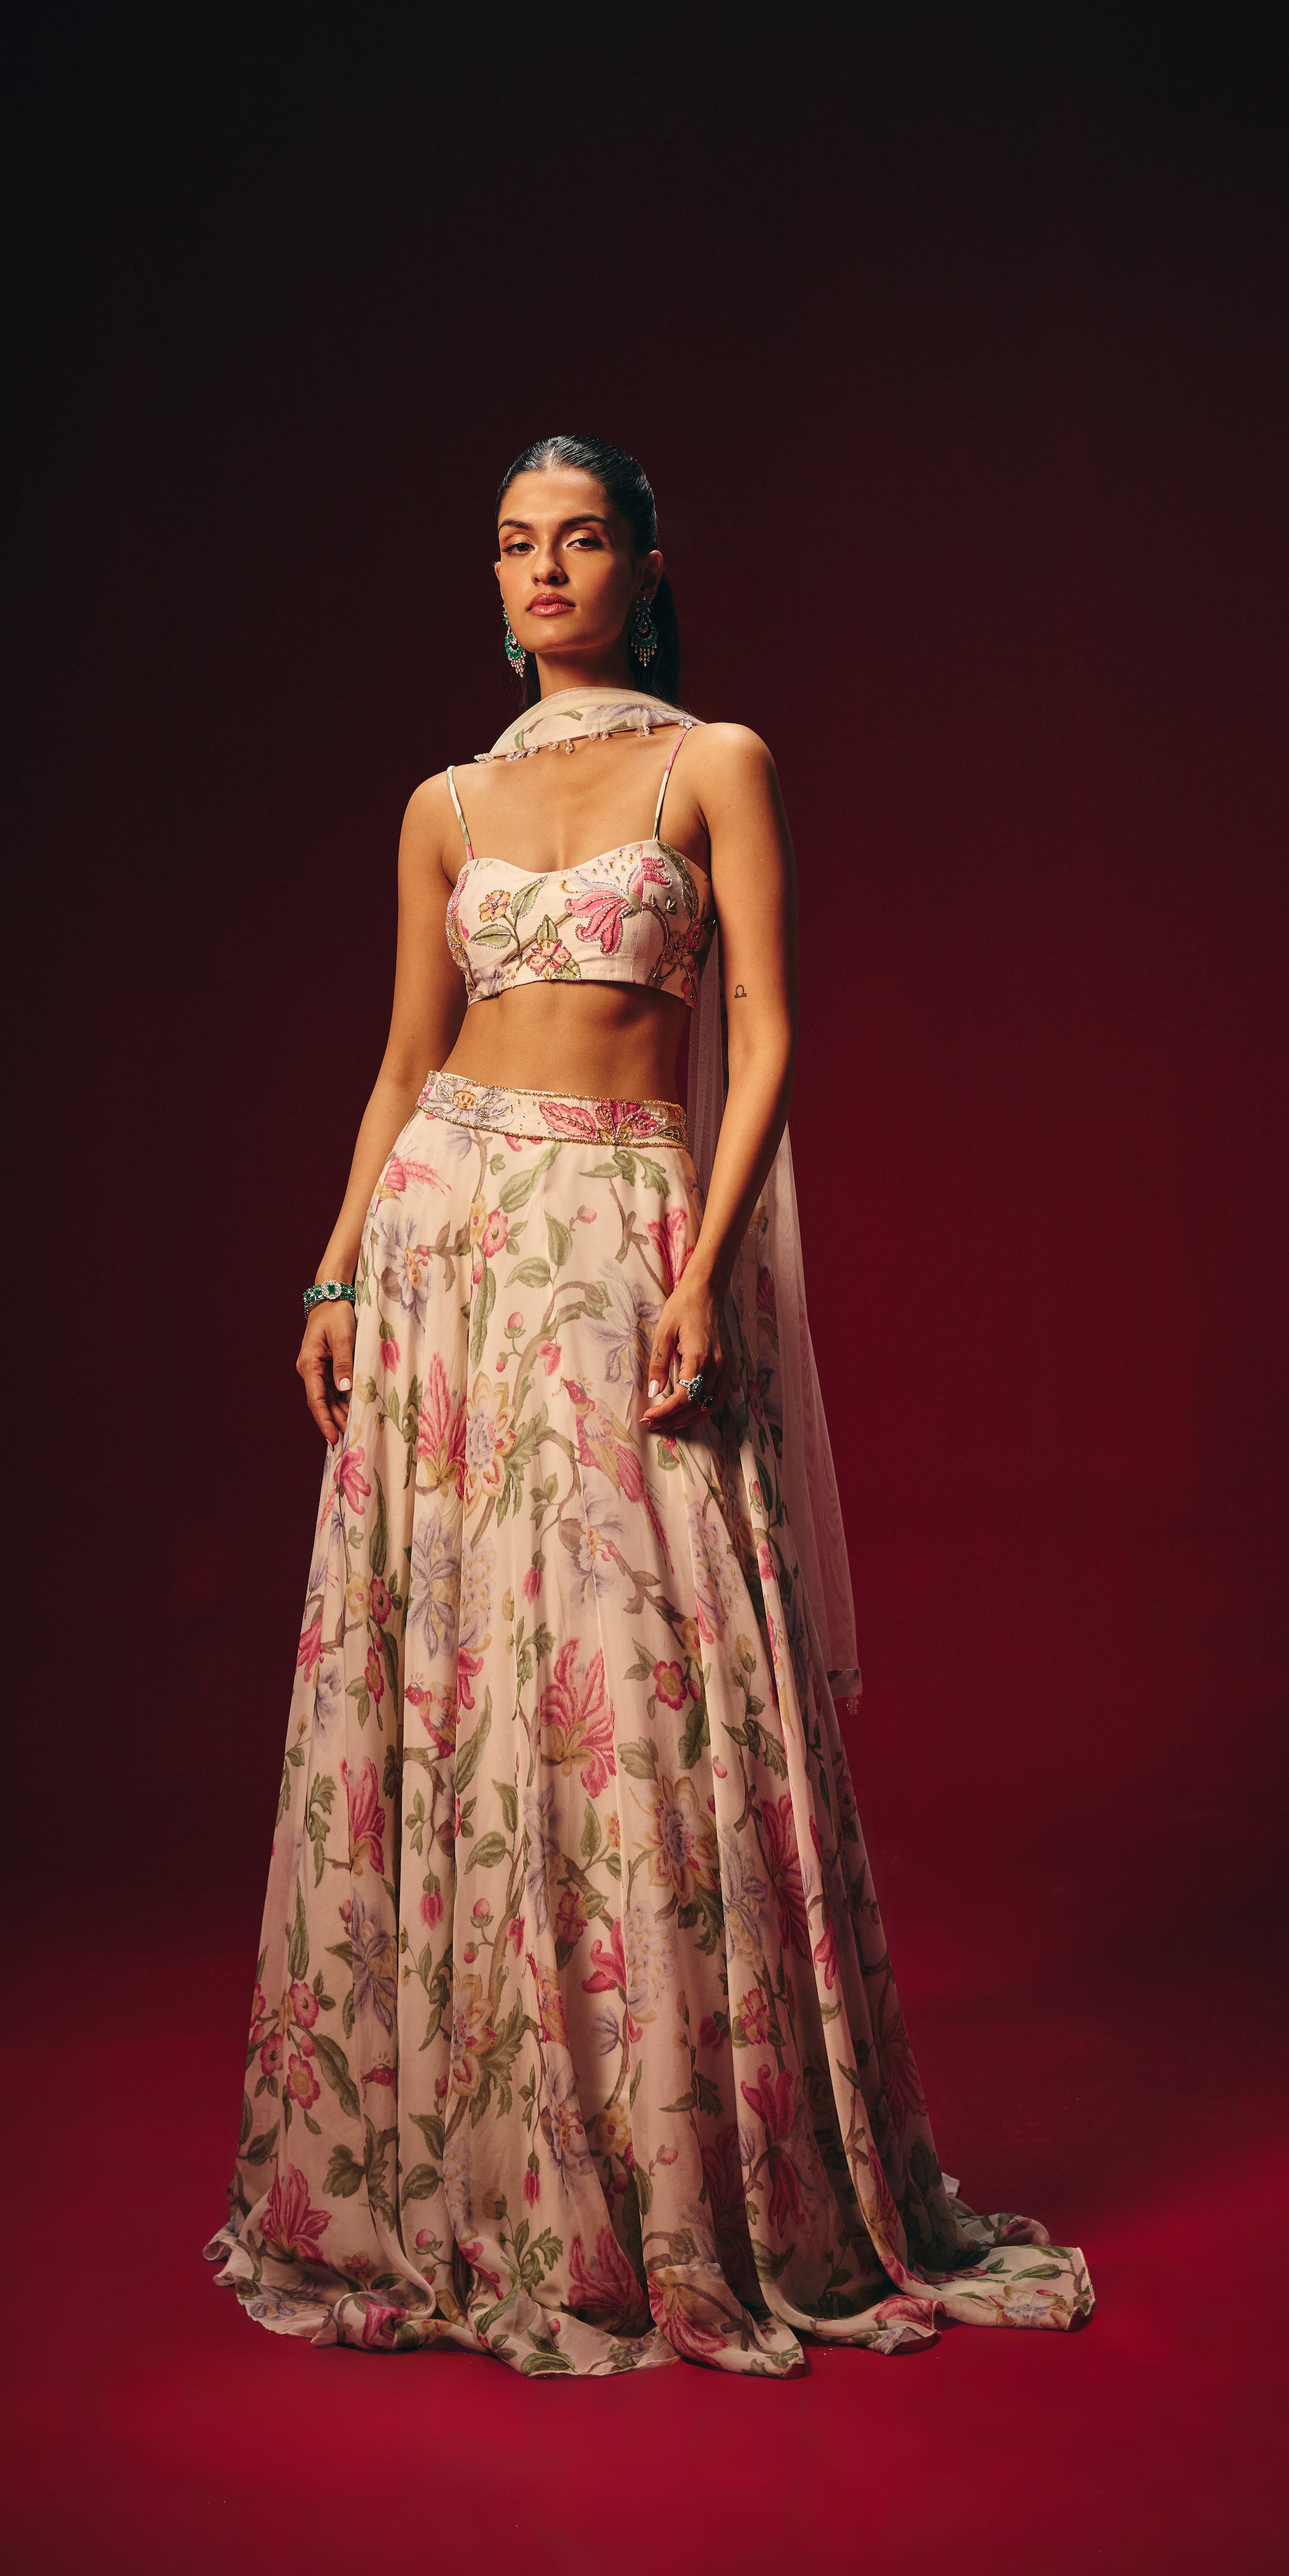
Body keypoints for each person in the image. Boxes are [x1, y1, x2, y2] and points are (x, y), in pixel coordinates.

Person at [207, 434, 1090, 2374]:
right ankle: (475, 2176)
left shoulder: (716, 768)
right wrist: (335, 1271)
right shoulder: (443, 804)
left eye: (582, 538)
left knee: (640, 1681)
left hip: (617, 1226)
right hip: (442, 1243)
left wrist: (700, 1268)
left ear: (645, 565)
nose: (546, 570)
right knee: (456, 1681)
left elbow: (766, 1027)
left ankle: (681, 2177)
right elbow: (400, 1063)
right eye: (516, 544)